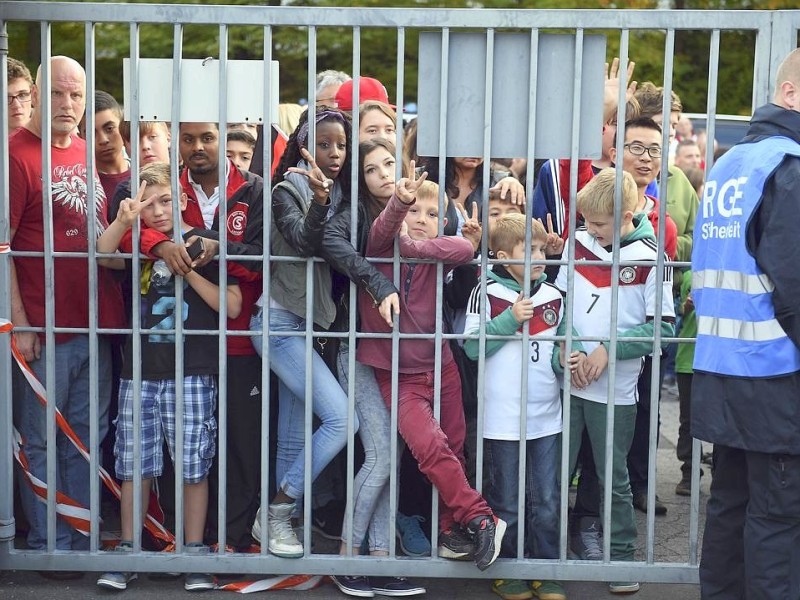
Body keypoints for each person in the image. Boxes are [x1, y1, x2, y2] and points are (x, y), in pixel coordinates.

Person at [95, 162, 241, 591]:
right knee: (133, 461)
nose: (157, 211)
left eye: (165, 201)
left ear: (182, 200)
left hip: (192, 370)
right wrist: (123, 219)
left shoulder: (204, 243)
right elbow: (103, 256)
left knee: (194, 462)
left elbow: (231, 307)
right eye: (148, 204)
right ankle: (129, 548)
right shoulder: (137, 243)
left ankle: (193, 549)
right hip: (138, 370)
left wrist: (189, 267)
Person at [119, 122, 265, 552]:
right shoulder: (165, 185)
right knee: (138, 463)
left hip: (215, 354)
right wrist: (159, 245)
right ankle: (138, 547)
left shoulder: (253, 189)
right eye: (188, 138)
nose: (198, 146)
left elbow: (255, 266)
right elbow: (111, 244)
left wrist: (196, 259)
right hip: (144, 366)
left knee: (206, 459)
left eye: (207, 137)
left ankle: (208, 546)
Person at [691, 47, 800, 599]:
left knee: (731, 505)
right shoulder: (789, 168)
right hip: (776, 376)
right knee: (779, 519)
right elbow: (795, 286)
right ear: (791, 94)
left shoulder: (729, 165)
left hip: (721, 369)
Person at [357, 172, 507, 572]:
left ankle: (448, 530)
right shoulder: (380, 244)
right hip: (397, 374)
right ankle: (480, 517)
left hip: (440, 366)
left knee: (454, 449)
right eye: (414, 210)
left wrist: (425, 244)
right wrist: (399, 207)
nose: (421, 217)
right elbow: (385, 229)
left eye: (432, 213)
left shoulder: (439, 249)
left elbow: (462, 247)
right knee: (430, 448)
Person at [10, 56, 124, 555]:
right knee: (41, 441)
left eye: (76, 95)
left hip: (92, 322)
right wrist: (20, 323)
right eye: (57, 93)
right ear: (35, 95)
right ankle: (47, 542)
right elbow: (3, 248)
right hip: (42, 327)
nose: (68, 104)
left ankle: (80, 539)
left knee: (86, 436)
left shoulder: (82, 150)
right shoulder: (15, 157)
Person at [556, 168, 675, 595]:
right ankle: (543, 553)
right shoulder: (578, 242)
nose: (590, 230)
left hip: (618, 391)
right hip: (571, 382)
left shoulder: (650, 255)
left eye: (600, 224)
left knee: (614, 478)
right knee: (556, 472)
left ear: (627, 215)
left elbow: (660, 328)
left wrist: (607, 349)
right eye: (586, 221)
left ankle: (622, 558)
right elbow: (561, 308)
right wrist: (564, 353)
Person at [249, 108, 355, 558]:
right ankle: (275, 512)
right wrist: (319, 202)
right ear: (304, 145)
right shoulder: (285, 189)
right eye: (324, 144)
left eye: (341, 145)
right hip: (277, 325)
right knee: (341, 420)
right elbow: (303, 240)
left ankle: (279, 530)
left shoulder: (341, 191)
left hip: (304, 326)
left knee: (294, 438)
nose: (333, 153)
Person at [326, 137, 425, 597]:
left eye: (389, 163)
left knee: (395, 454)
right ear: (359, 179)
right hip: (359, 348)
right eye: (371, 169)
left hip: (401, 353)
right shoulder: (357, 214)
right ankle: (349, 555)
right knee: (382, 454)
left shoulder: (418, 209)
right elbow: (339, 245)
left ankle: (383, 556)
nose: (384, 173)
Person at [463, 214, 570, 600]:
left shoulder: (554, 294)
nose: (540, 256)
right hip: (501, 419)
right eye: (530, 250)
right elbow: (472, 347)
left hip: (546, 417)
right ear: (504, 256)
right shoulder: (485, 291)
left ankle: (545, 567)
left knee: (547, 499)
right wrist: (509, 320)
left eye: (542, 249)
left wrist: (565, 359)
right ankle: (507, 568)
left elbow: (559, 351)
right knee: (505, 498)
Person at [89, 90, 130, 202]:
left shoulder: (144, 171)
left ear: (122, 125)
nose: (103, 140)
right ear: (80, 136)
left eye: (109, 129)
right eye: (91, 133)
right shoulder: (83, 188)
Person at [7, 57, 33, 134]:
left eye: (22, 95)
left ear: (34, 95)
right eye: (6, 98)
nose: (16, 105)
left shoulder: (51, 138)